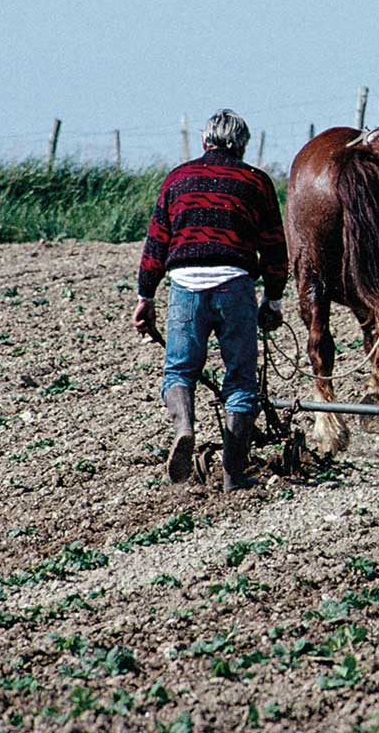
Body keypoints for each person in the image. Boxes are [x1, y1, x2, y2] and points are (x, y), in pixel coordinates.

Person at [132, 109, 288, 491]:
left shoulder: (177, 179)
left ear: (205, 141)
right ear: (242, 145)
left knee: (179, 371)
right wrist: (273, 300)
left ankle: (185, 427)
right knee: (241, 382)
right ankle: (234, 475)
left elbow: (156, 244)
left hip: (185, 287)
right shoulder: (256, 182)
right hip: (235, 286)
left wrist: (145, 296)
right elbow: (274, 248)